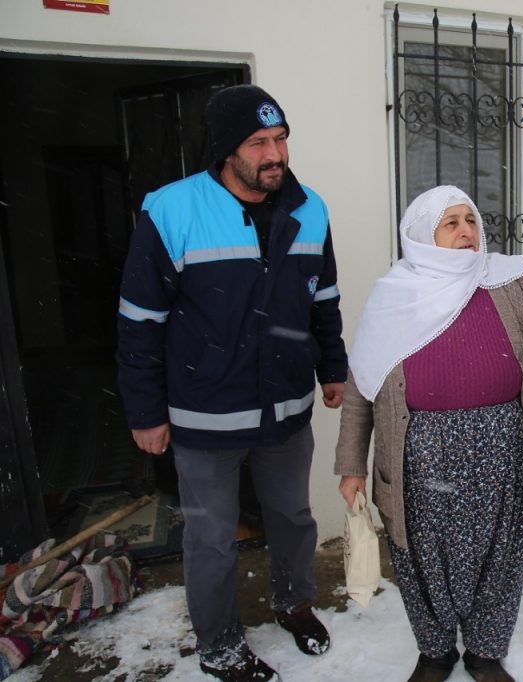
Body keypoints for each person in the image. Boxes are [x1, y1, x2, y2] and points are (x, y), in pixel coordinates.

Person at [116, 84, 347, 682]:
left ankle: (294, 604)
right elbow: (140, 323)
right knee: (211, 539)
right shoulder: (171, 211)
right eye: (259, 143)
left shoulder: (310, 209)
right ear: (225, 150)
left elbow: (323, 299)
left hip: (286, 409)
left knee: (293, 518)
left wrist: (332, 368)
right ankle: (218, 645)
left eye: (280, 139)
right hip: (204, 414)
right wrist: (145, 412)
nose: (275, 154)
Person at [335, 185, 523, 682]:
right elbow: (362, 387)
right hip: (419, 453)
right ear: (422, 236)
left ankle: (485, 651)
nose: (467, 231)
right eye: (451, 223)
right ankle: (435, 650)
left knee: (499, 551)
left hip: (501, 445)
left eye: (471, 220)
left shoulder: (510, 280)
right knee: (421, 557)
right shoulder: (392, 298)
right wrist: (352, 465)